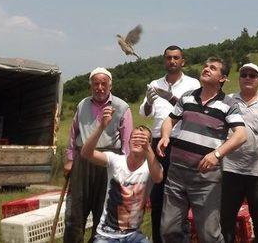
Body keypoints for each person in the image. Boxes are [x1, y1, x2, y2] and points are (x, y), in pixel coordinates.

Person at [157, 57, 247, 243]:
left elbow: (241, 135)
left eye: (212, 68)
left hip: (205, 179)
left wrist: (216, 154)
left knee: (209, 235)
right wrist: (165, 135)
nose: (206, 69)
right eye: (205, 66)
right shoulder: (187, 96)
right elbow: (169, 120)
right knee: (168, 229)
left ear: (222, 78)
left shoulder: (229, 105)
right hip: (176, 174)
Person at [138, 45, 200, 243]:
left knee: (181, 195)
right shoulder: (154, 83)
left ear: (183, 61)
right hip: (158, 142)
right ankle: (158, 238)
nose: (172, 61)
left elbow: (193, 113)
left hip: (182, 141)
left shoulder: (193, 84)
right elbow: (144, 113)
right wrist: (148, 101)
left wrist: (172, 98)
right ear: (164, 61)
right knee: (157, 196)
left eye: (176, 58)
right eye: (168, 58)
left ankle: (181, 238)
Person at [64, 67, 134, 243]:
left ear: (110, 85)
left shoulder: (121, 107)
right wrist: (69, 159)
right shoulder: (82, 104)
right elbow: (73, 134)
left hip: (108, 160)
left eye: (104, 83)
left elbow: (127, 141)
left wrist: (125, 169)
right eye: (96, 84)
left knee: (103, 211)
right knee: (75, 211)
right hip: (83, 160)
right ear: (91, 86)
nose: (100, 87)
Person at [80, 104, 163, 243]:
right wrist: (101, 126)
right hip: (106, 234)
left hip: (133, 235)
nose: (138, 140)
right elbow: (86, 153)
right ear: (128, 142)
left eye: (143, 139)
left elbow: (158, 177)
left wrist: (148, 148)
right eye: (135, 137)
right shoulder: (116, 160)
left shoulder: (150, 166)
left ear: (149, 144)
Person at [220, 63, 258, 243]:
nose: (248, 78)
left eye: (252, 75)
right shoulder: (227, 100)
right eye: (244, 75)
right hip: (230, 169)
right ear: (239, 79)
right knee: (226, 218)